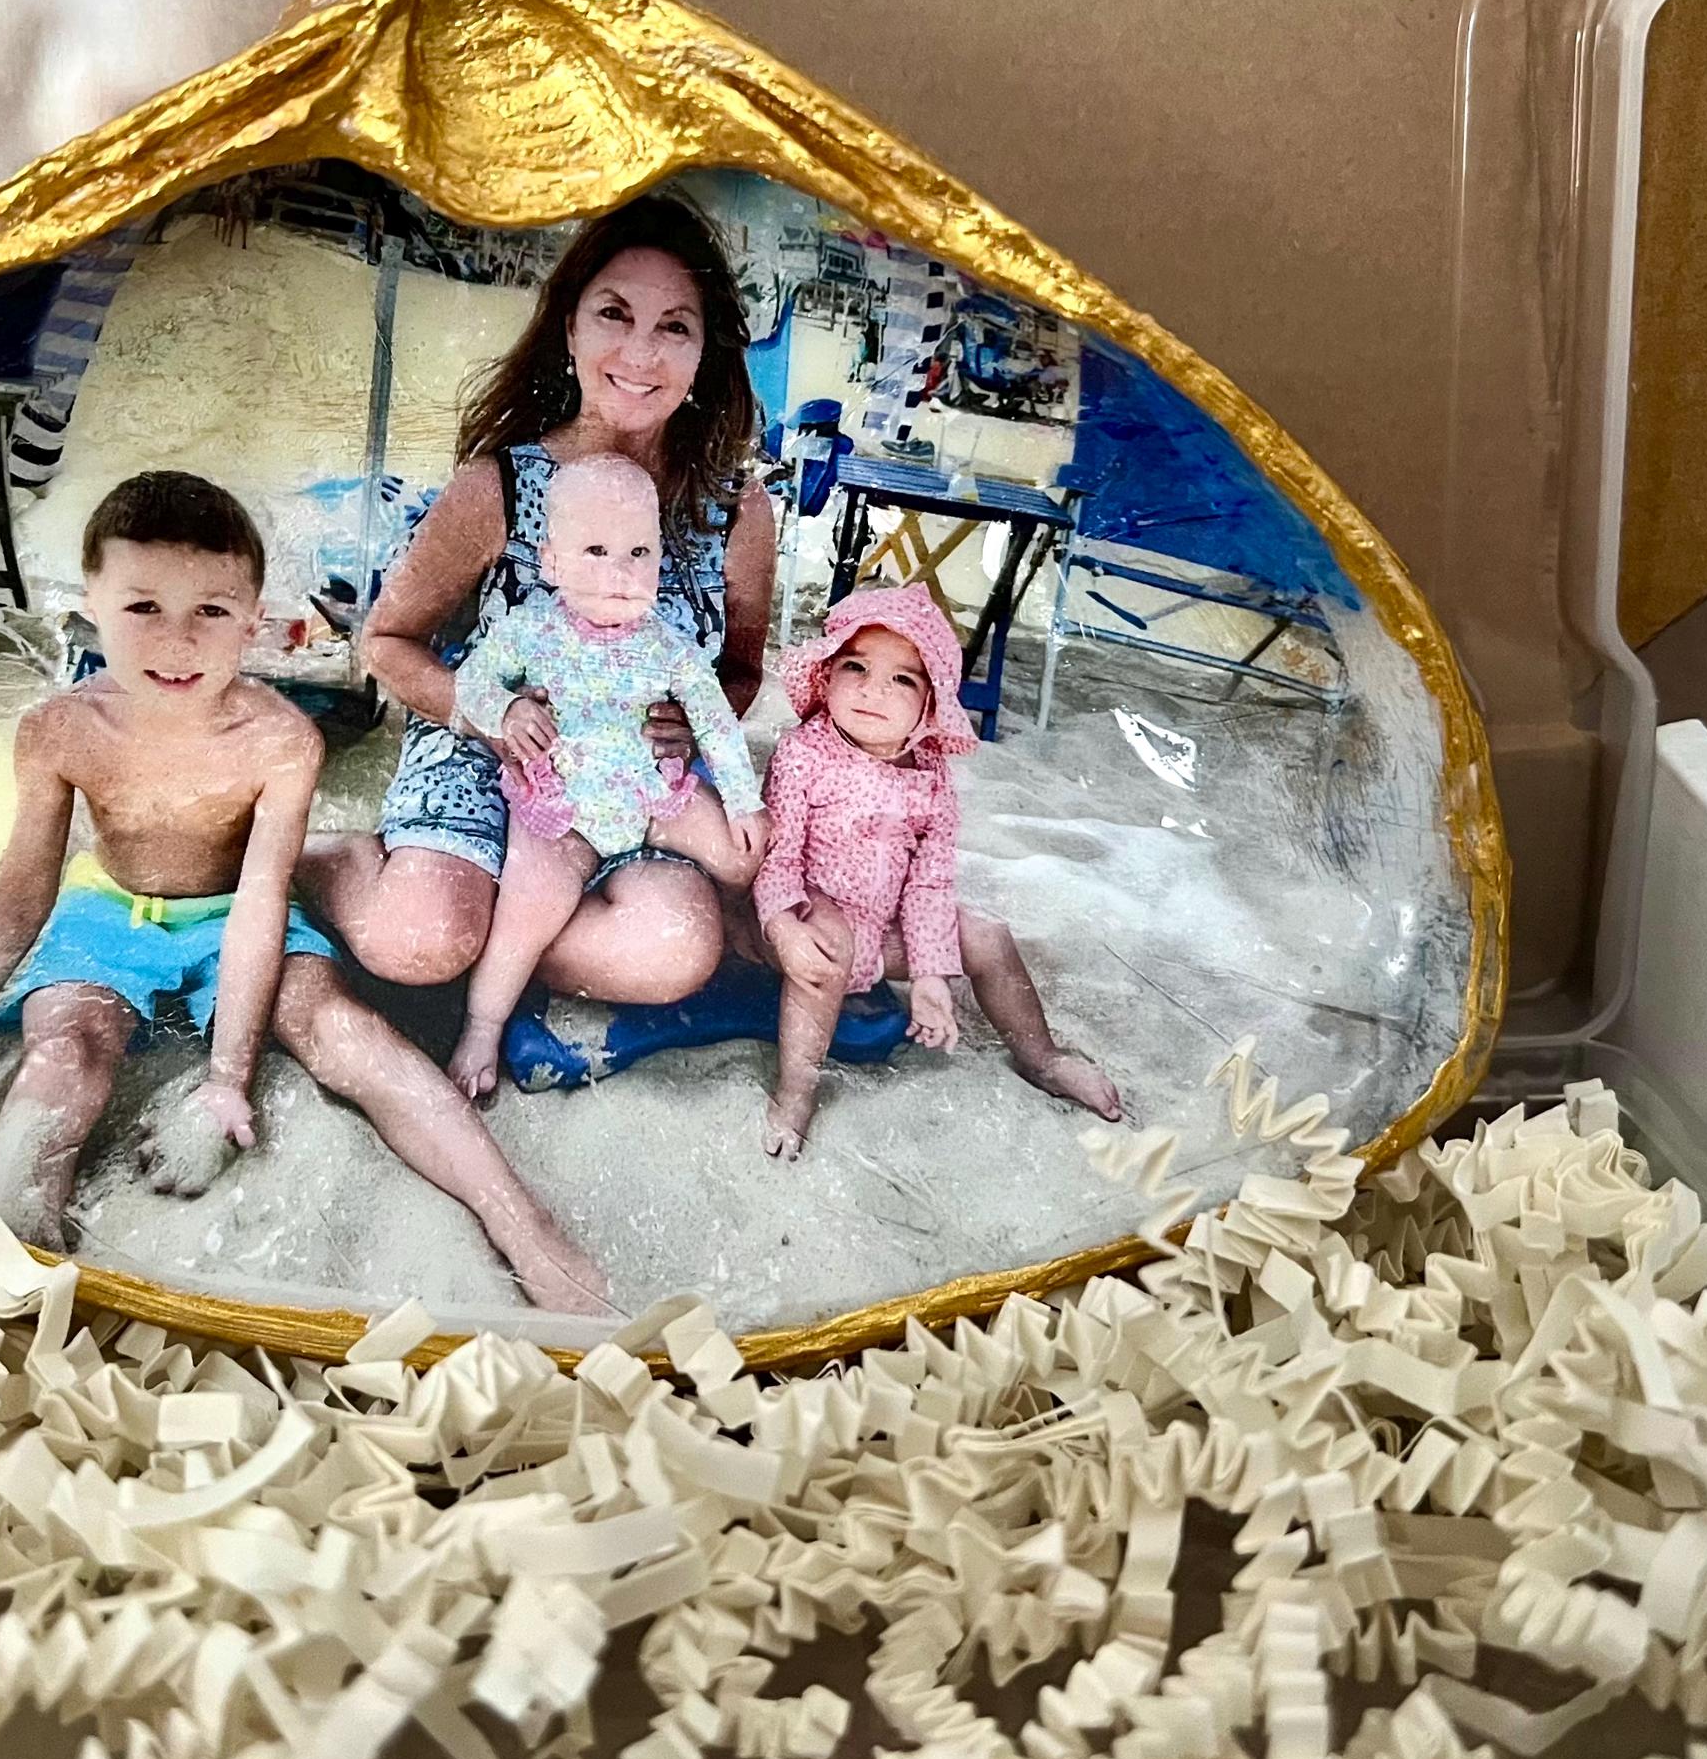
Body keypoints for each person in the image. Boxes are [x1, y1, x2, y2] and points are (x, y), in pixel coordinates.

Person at [0, 470, 607, 1312]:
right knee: (67, 1052)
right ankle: (9, 1256)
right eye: (144, 607)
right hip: (109, 911)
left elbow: (260, 898)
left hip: (236, 911)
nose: (177, 642)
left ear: (254, 621)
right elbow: (21, 889)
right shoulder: (59, 729)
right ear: (91, 604)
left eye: (211, 612)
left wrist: (227, 1080)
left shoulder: (281, 740)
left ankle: (525, 1226)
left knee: (343, 1031)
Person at [297, 191, 776, 1019]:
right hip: (484, 751)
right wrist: (490, 715)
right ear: (570, 328)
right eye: (615, 314)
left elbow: (739, 669)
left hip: (630, 780)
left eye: (674, 327)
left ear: (706, 354)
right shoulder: (501, 486)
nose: (641, 351)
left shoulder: (736, 509)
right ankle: (329, 861)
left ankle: (495, 937)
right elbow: (388, 642)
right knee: (419, 940)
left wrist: (694, 726)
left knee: (672, 949)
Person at [748, 584, 1125, 1158]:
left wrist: (929, 974)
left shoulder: (931, 775)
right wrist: (783, 928)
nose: (873, 689)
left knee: (988, 936)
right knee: (830, 942)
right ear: (826, 676)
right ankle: (796, 1092)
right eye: (855, 666)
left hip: (885, 928)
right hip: (805, 918)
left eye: (903, 679)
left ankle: (1041, 1056)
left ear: (929, 706)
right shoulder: (803, 753)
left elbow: (928, 884)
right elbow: (778, 857)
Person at [446, 454, 767, 1099]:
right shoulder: (531, 630)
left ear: (660, 559)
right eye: (595, 551)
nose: (620, 573)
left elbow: (716, 724)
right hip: (561, 807)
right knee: (527, 910)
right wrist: (506, 710)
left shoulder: (667, 644)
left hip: (649, 795)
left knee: (743, 852)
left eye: (638, 552)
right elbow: (472, 680)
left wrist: (742, 800)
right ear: (552, 562)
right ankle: (483, 1025)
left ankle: (746, 942)